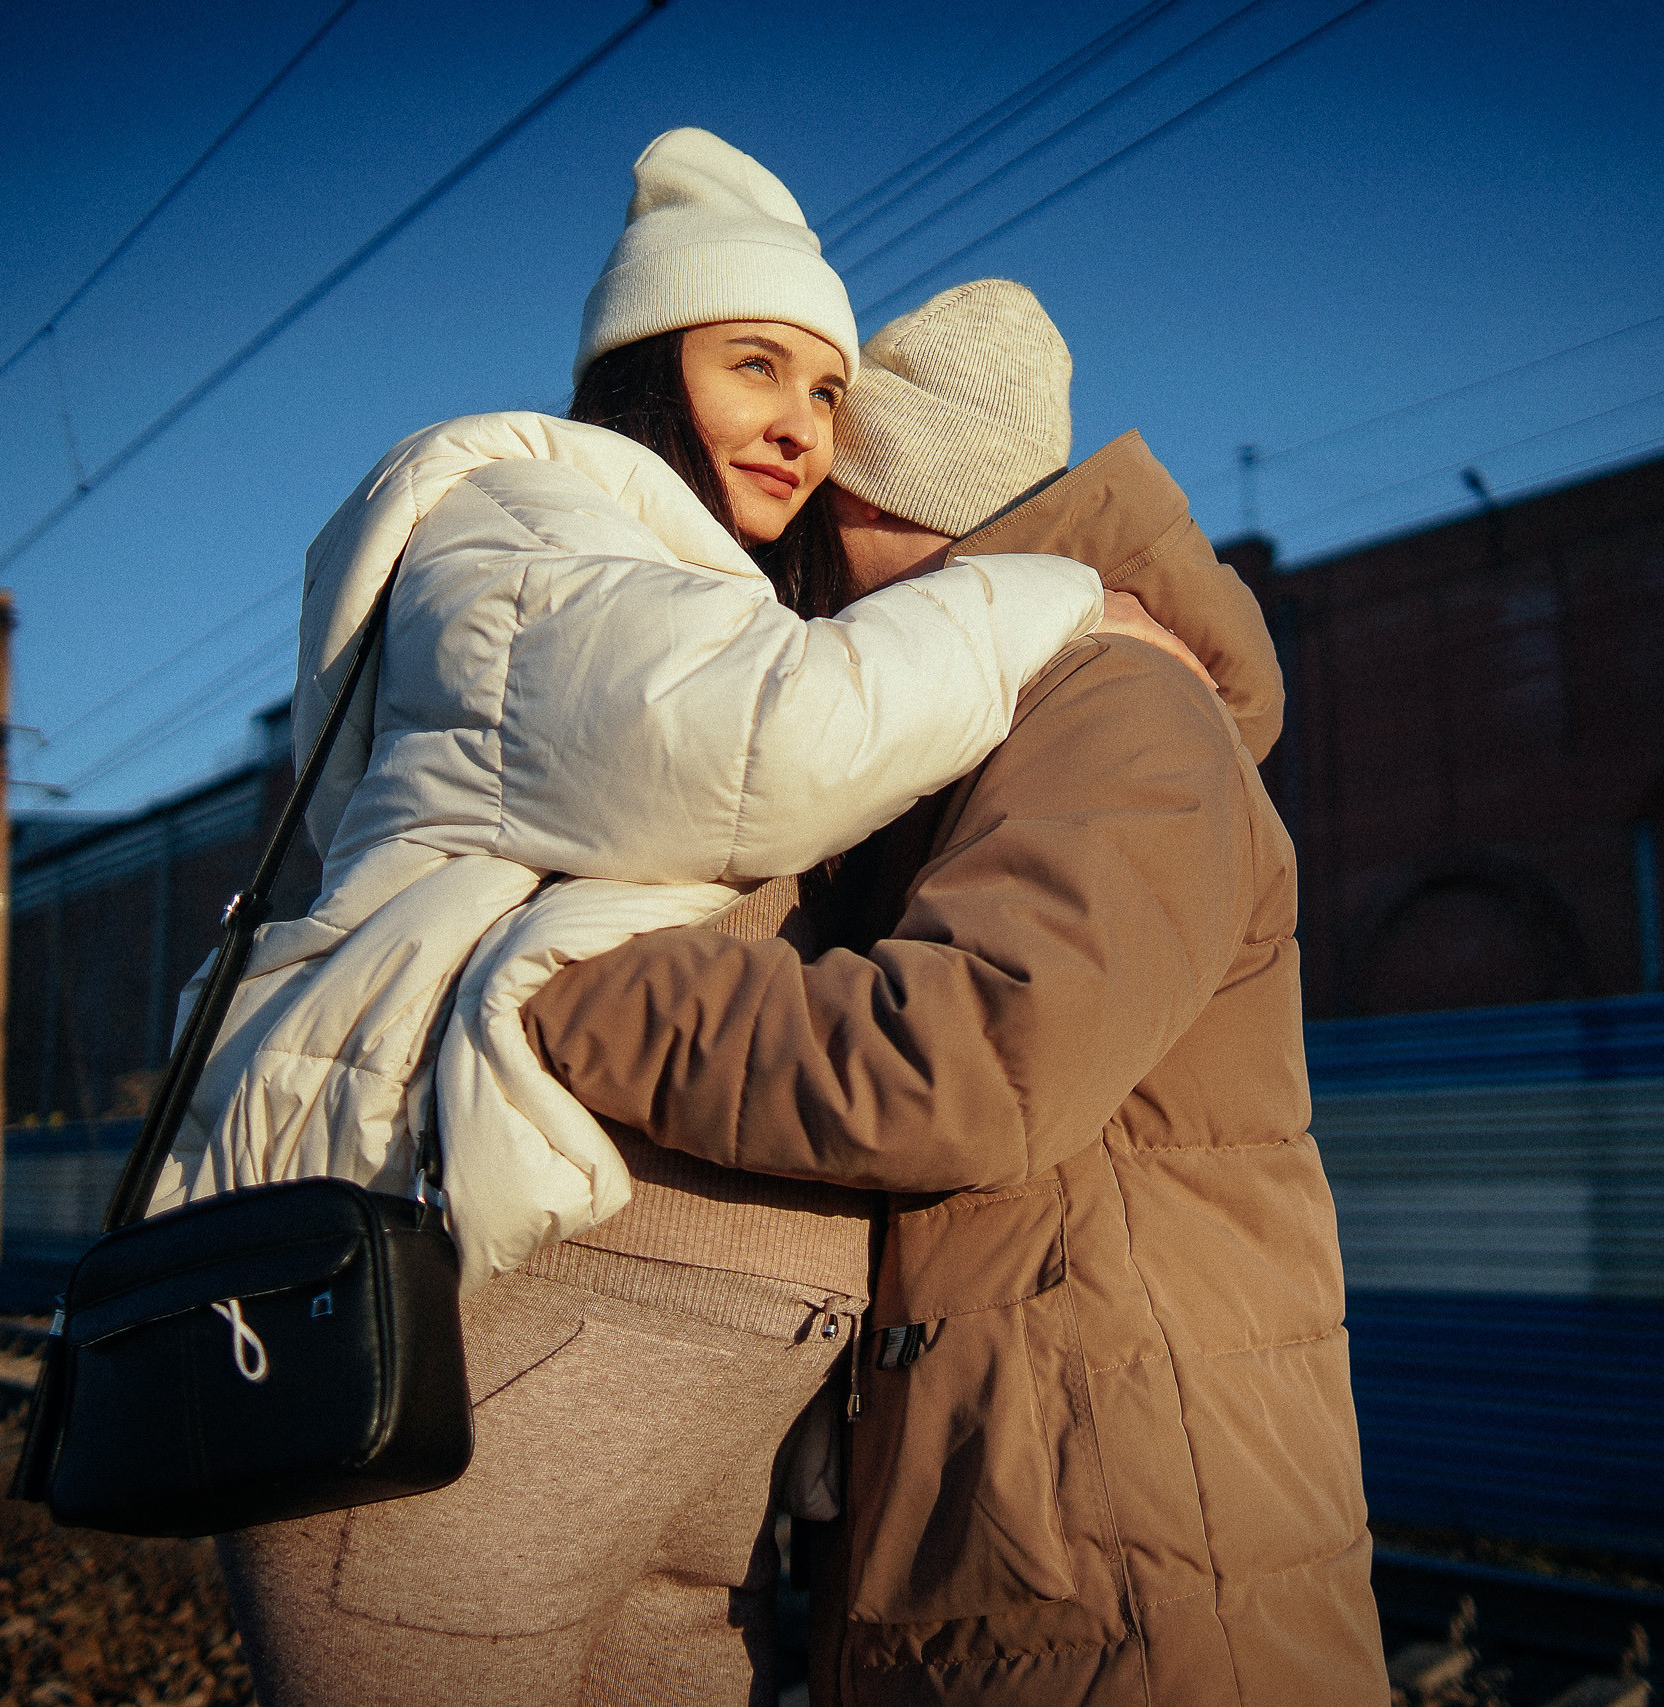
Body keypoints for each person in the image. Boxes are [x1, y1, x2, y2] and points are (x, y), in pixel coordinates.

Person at [196, 137, 1174, 1706]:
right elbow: (766, 747)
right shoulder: (526, 528)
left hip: (669, 1395)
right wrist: (1057, 594)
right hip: (496, 1358)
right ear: (645, 369)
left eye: (826, 393)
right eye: (755, 365)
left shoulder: (690, 585)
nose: (798, 423)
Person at [524, 282, 1390, 1705]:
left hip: (1132, 1587)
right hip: (1044, 1555)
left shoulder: (1116, 709)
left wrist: (570, 992)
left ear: (881, 506)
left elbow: (963, 1064)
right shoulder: (1000, 732)